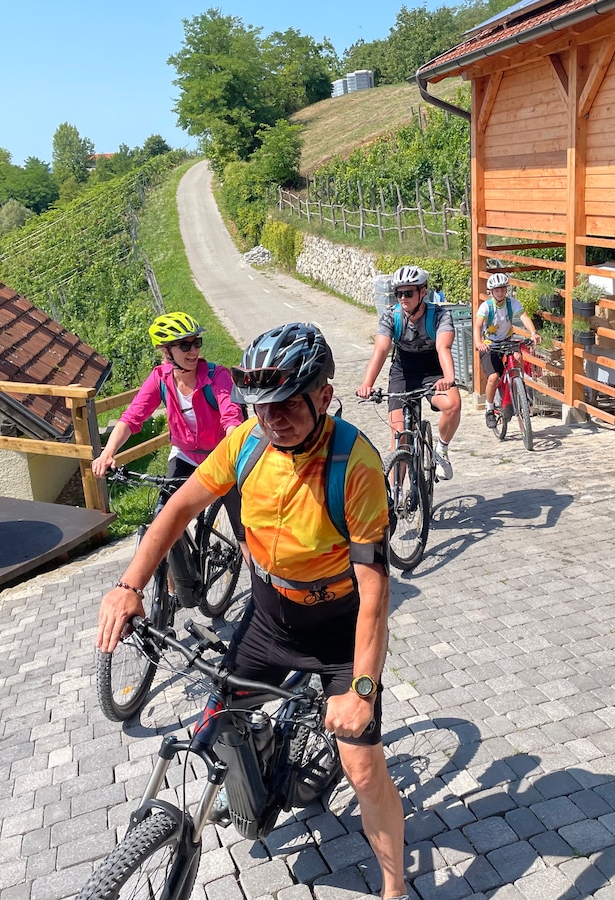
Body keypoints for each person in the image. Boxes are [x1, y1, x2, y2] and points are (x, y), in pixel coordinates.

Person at [97, 323, 409, 900]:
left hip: (339, 629)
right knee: (215, 721)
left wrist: (363, 691)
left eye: (287, 403)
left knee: (365, 771)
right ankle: (256, 774)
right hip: (269, 617)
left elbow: (375, 594)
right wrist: (129, 585)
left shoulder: (355, 465)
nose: (271, 418)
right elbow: (177, 510)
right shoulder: (246, 443)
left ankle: (394, 890)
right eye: (261, 406)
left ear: (323, 396)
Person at [91, 311, 246, 570]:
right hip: (185, 456)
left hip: (220, 457)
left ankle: (261, 587)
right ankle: (172, 590)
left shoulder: (216, 377)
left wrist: (231, 455)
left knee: (244, 533)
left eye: (196, 342)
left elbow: (232, 419)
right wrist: (108, 453)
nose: (193, 350)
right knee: (163, 524)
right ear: (166, 351)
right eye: (185, 345)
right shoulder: (160, 379)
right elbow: (131, 417)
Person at [356, 265, 461, 480]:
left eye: (409, 293)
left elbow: (443, 347)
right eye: (399, 293)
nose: (403, 298)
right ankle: (395, 495)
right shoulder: (391, 316)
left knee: (453, 405)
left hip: (433, 370)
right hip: (403, 372)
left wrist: (449, 378)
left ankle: (441, 449)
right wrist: (367, 383)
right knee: (399, 437)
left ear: (423, 292)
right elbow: (381, 349)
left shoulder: (439, 315)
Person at [474, 272, 541, 428]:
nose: (500, 293)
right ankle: (489, 409)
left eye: (503, 289)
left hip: (508, 340)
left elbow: (524, 317)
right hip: (489, 344)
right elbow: (477, 325)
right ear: (491, 291)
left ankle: (519, 389)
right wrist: (478, 342)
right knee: (493, 378)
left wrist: (533, 333)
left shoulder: (512, 303)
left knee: (518, 357)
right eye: (497, 290)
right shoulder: (486, 306)